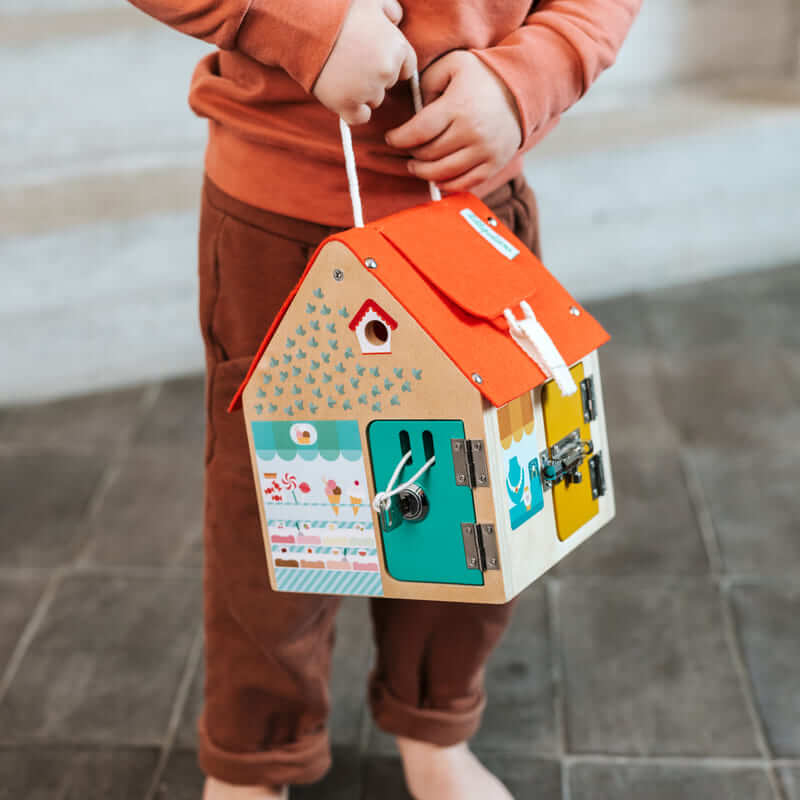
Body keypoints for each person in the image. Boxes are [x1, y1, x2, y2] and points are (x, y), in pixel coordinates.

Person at [124, 1, 641, 797]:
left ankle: (432, 723)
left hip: (470, 216)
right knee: (269, 513)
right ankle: (255, 756)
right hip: (280, 218)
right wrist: (297, 22)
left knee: (474, 500)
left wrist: (531, 75)